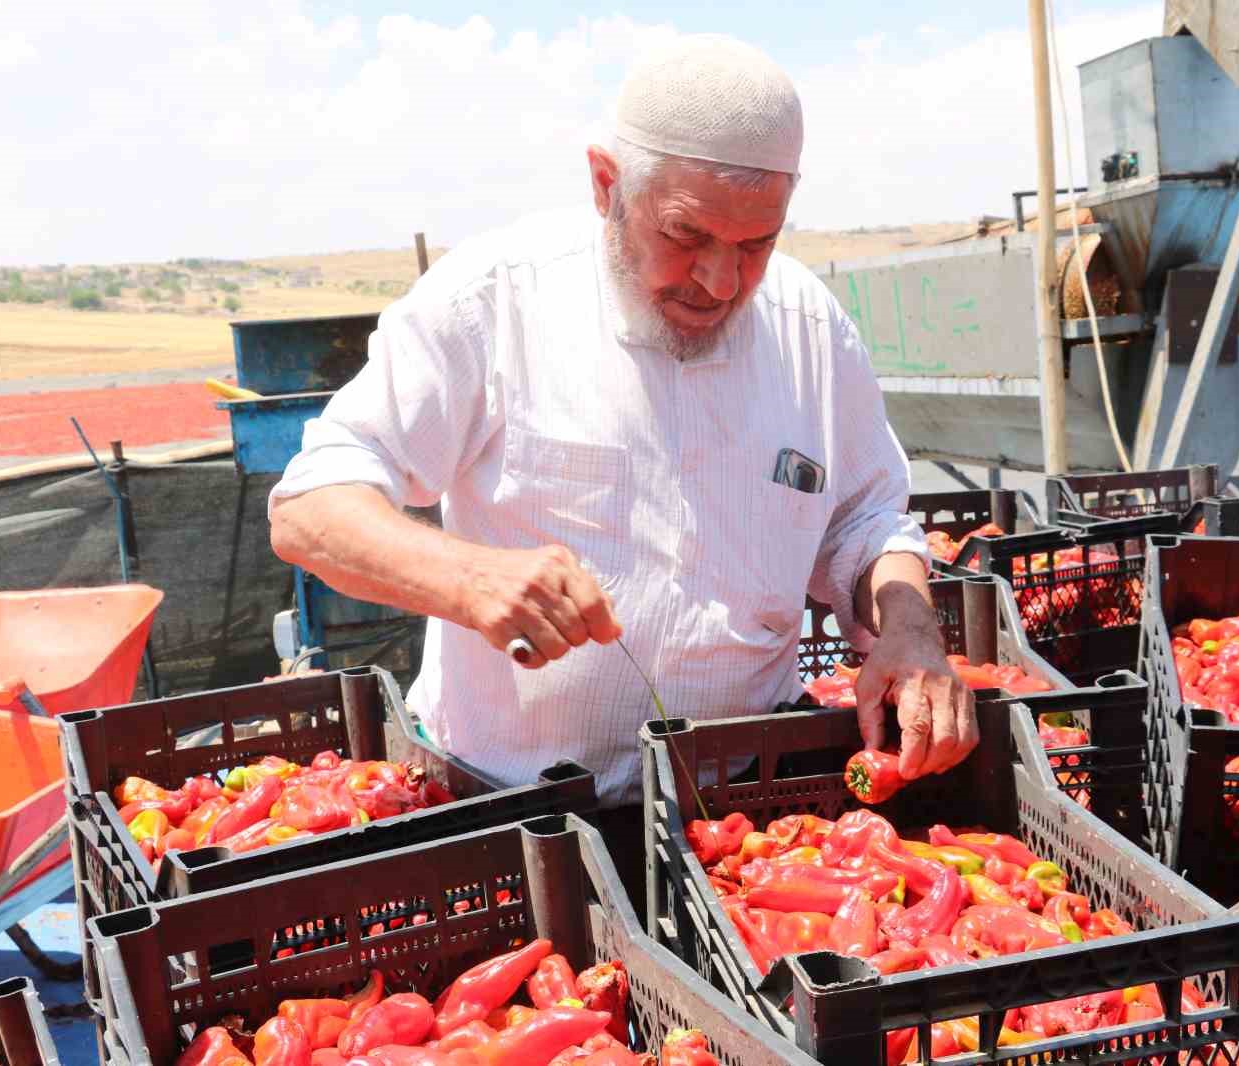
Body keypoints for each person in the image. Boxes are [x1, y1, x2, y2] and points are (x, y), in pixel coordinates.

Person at [267, 34, 978, 916]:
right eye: (686, 236)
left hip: (747, 820)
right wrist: (466, 574)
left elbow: (867, 521)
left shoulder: (809, 326)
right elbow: (309, 505)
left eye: (756, 244)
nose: (721, 280)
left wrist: (909, 629)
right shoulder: (496, 302)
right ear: (607, 185)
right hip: (518, 818)